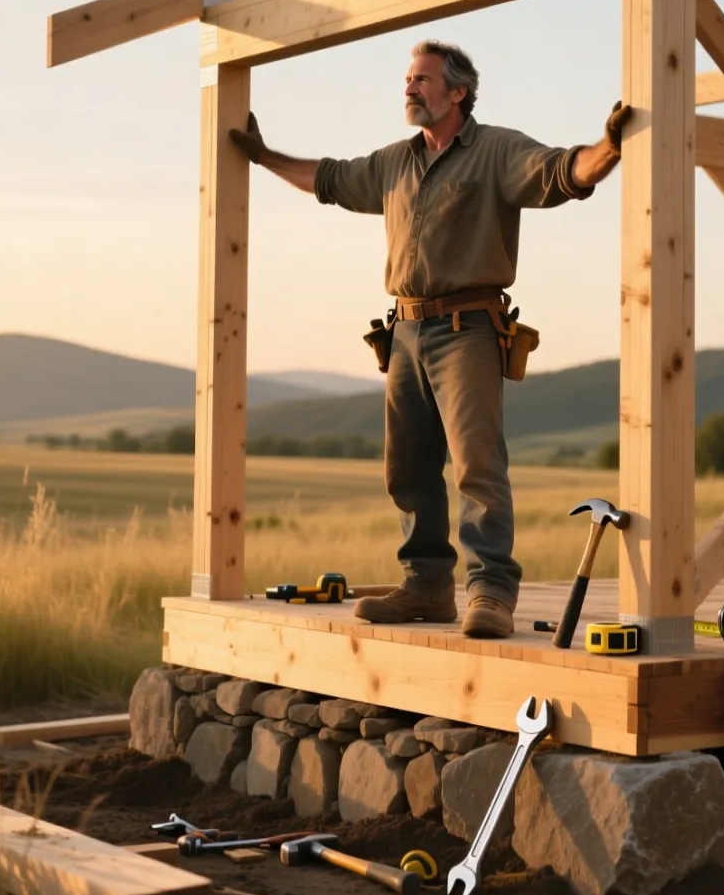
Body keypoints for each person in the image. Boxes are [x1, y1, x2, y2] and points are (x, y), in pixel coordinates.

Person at [229, 40, 630, 638]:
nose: (409, 87)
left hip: (469, 329)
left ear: (458, 91)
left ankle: (490, 592)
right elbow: (330, 179)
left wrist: (609, 149)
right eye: (408, 79)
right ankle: (426, 586)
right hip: (404, 330)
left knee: (476, 465)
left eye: (422, 79)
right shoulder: (394, 162)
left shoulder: (495, 149)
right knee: (408, 468)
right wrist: (264, 157)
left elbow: (561, 172)